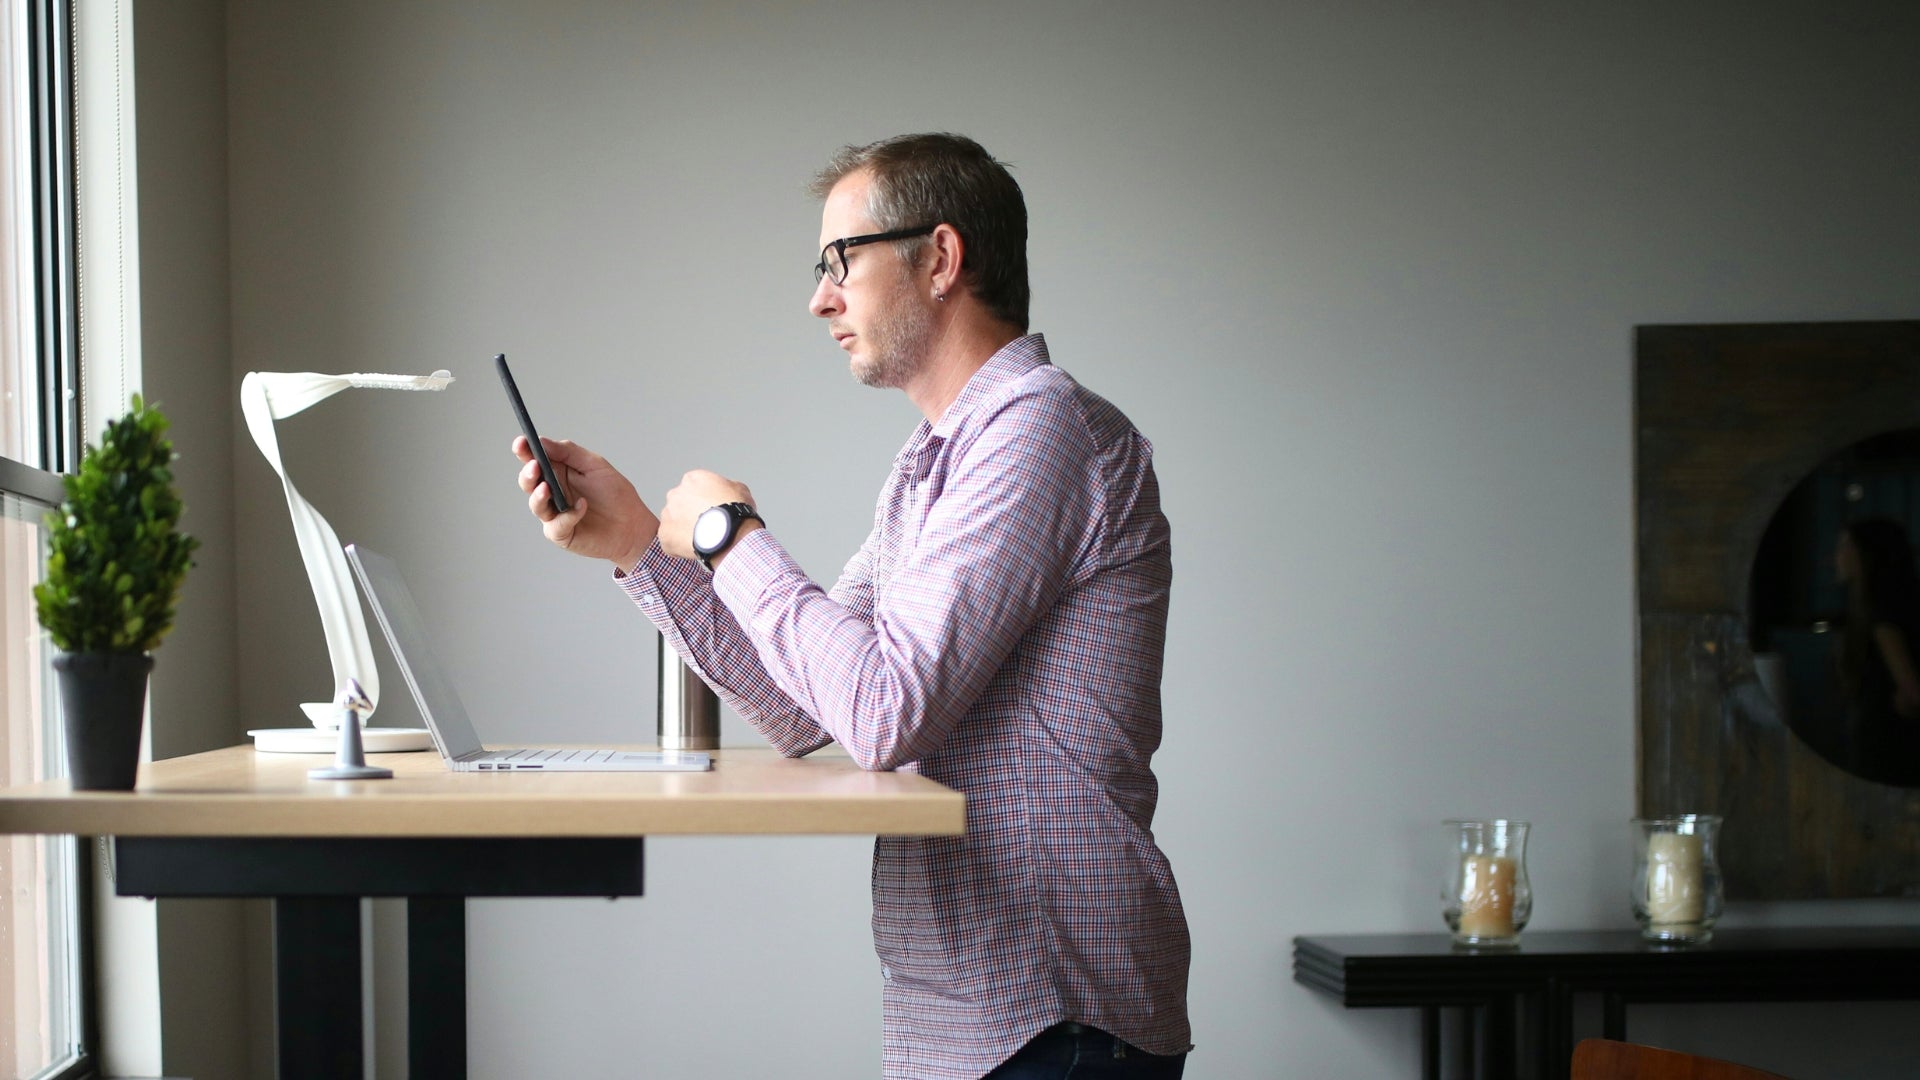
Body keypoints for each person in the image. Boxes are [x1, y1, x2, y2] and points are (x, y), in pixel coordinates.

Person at [510, 133, 1191, 1080]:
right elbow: (807, 708)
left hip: (1053, 1015)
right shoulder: (932, 465)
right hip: (979, 1019)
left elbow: (881, 714)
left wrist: (729, 537)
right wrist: (635, 545)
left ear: (942, 259)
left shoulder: (1040, 432)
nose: (819, 297)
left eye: (841, 261)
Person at [1832, 517, 1920, 779]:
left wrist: (1908, 703)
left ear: (1868, 555)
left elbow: (1912, 692)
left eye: (1846, 545)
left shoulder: (1883, 613)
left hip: (1889, 746)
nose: (1837, 555)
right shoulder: (1877, 609)